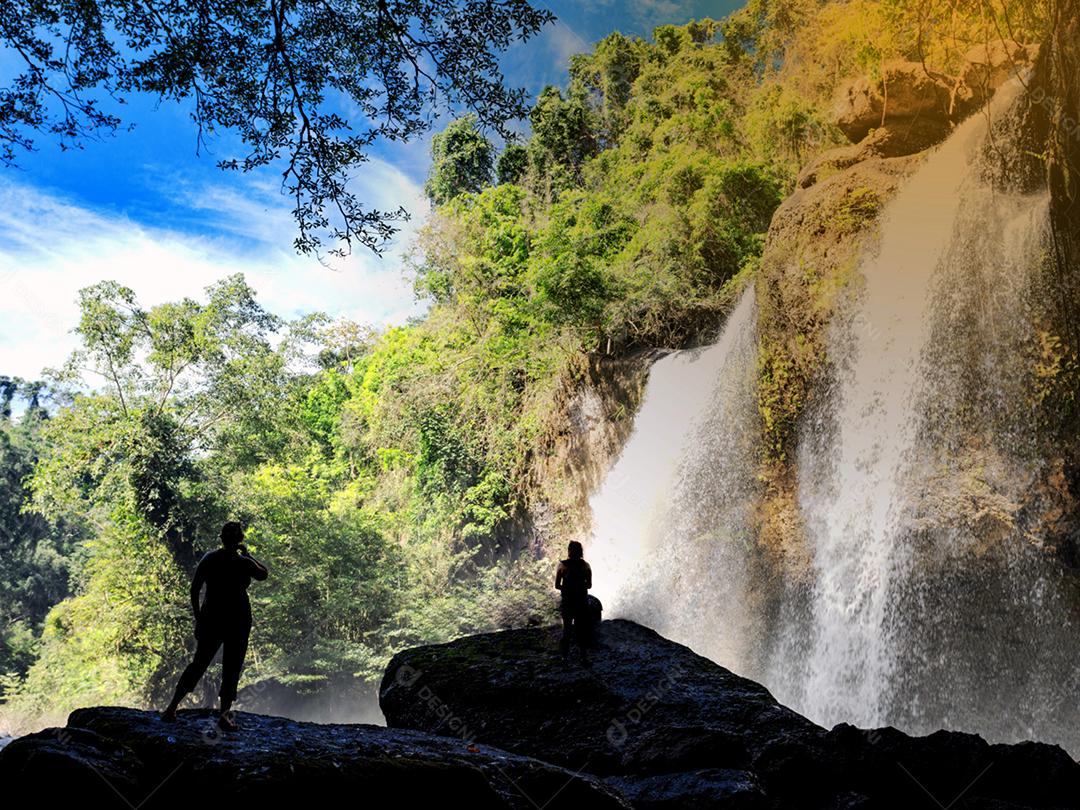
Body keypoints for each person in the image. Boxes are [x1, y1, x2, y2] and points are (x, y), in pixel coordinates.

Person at [162, 521, 268, 731]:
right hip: (238, 619)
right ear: (240, 540)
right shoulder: (242, 562)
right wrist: (247, 555)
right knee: (232, 666)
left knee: (199, 663)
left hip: (213, 617)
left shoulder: (210, 558)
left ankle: (172, 708)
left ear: (221, 538)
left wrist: (199, 617)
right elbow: (263, 574)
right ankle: (224, 716)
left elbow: (194, 590)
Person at [555, 540, 593, 663]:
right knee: (581, 630)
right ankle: (583, 658)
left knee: (567, 630)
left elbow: (557, 585)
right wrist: (579, 586)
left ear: (569, 551)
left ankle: (564, 657)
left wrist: (567, 588)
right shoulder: (586, 566)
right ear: (581, 551)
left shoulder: (562, 565)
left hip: (567, 602)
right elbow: (589, 585)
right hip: (581, 602)